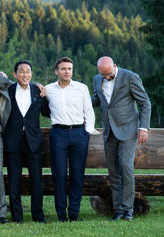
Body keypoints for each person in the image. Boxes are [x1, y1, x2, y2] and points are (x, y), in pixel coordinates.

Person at [92, 56, 151, 221]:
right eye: (103, 75)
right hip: (109, 131)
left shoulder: (130, 77)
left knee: (126, 168)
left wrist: (143, 127)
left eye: (109, 74)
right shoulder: (97, 79)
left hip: (128, 130)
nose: (106, 78)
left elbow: (145, 102)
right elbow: (97, 100)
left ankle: (128, 210)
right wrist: (77, 104)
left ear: (115, 66)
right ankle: (117, 210)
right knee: (113, 172)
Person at [45, 56, 95, 222]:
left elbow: (89, 111)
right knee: (59, 175)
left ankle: (74, 213)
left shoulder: (81, 88)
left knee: (77, 175)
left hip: (79, 133)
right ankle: (61, 214)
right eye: (63, 69)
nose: (67, 72)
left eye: (69, 69)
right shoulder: (48, 89)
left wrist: (86, 133)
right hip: (58, 134)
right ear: (56, 71)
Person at [3, 60, 50, 223]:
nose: (25, 74)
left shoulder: (38, 91)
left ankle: (38, 215)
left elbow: (47, 112)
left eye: (28, 71)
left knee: (36, 181)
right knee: (13, 181)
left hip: (34, 142)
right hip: (13, 141)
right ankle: (17, 217)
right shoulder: (7, 91)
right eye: (21, 71)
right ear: (15, 74)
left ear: (31, 74)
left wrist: (46, 92)